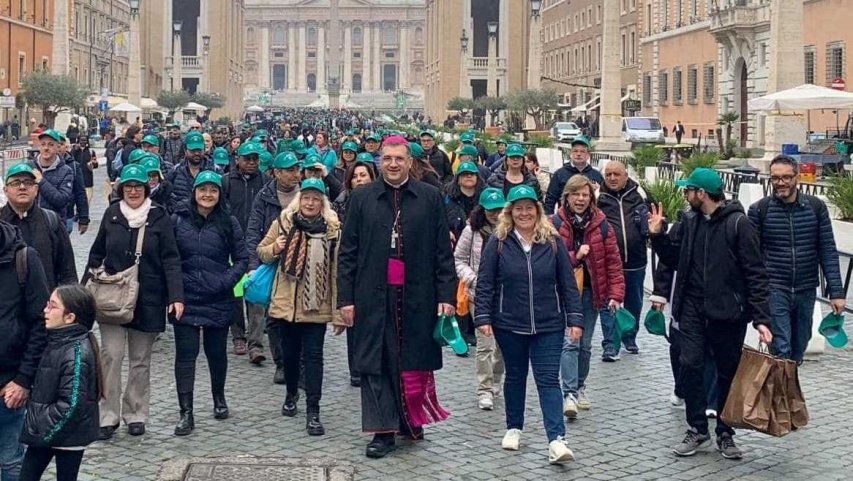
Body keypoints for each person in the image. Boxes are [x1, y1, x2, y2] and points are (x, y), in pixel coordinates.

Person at [337, 136, 457, 458]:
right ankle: (382, 431)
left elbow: (442, 252)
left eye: (399, 159)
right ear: (380, 161)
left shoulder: (429, 197)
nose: (393, 164)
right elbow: (347, 252)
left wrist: (446, 296)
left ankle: (409, 418)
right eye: (387, 158)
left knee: (412, 360)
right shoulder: (362, 197)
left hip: (417, 294)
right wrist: (345, 299)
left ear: (409, 162)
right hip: (372, 294)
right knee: (376, 361)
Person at [648, 168, 772, 459]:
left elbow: (755, 273)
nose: (685, 195)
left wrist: (762, 319)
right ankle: (697, 428)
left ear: (701, 193)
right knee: (689, 365)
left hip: (728, 314)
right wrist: (658, 236)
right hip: (692, 309)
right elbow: (673, 259)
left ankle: (725, 433)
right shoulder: (688, 221)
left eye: (688, 190)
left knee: (727, 372)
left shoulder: (738, 224)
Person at [474, 184, 583, 465]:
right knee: (515, 377)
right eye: (518, 208)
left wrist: (575, 318)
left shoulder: (553, 242)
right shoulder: (498, 242)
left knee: (548, 380)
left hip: (549, 324)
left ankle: (557, 439)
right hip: (509, 324)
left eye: (529, 208)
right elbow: (485, 283)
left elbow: (568, 284)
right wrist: (483, 317)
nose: (524, 213)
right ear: (510, 212)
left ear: (537, 211)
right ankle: (514, 427)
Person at [85, 164, 184, 440]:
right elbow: (96, 254)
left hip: (149, 297)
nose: (132, 191)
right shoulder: (112, 214)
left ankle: (136, 413)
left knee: (140, 360)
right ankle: (108, 415)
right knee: (111, 356)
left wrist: (176, 296)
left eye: (137, 186)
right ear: (121, 189)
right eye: (128, 186)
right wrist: (83, 294)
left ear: (146, 188)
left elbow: (171, 259)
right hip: (113, 298)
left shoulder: (159, 217)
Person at [258, 178, 345, 436]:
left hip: (316, 305)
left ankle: (313, 411)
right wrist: (275, 248)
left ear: (322, 203)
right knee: (290, 355)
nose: (310, 203)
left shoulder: (332, 231)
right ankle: (291, 393)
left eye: (315, 199)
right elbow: (261, 251)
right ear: (299, 199)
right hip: (286, 304)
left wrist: (338, 313)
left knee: (314, 358)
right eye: (306, 197)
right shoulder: (284, 222)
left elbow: (336, 273)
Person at [171, 171, 248, 436]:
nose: (207, 195)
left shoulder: (229, 221)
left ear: (219, 193)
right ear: (194, 192)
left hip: (218, 297)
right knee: (185, 356)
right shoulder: (177, 220)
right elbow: (168, 258)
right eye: (202, 189)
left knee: (216, 354)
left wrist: (226, 281)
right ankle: (186, 412)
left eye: (213, 190)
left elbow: (242, 258)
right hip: (186, 298)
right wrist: (175, 289)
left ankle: (219, 396)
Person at [747, 155, 846, 363]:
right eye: (775, 178)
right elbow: (751, 257)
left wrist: (836, 292)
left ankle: (788, 381)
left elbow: (827, 250)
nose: (780, 183)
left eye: (786, 177)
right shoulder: (759, 210)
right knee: (781, 346)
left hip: (806, 289)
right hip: (775, 288)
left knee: (800, 345)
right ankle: (784, 384)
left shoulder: (816, 207)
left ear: (797, 178)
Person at [555, 175, 625, 422]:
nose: (581, 199)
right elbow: (549, 257)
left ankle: (580, 385)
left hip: (590, 292)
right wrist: (575, 256)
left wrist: (616, 294)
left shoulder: (602, 225)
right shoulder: (554, 223)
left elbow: (613, 261)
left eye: (585, 195)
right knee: (570, 342)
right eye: (576, 194)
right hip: (564, 292)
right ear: (567, 197)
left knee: (584, 345)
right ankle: (569, 393)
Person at [19, 285, 101, 481]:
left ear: (70, 317)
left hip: (65, 435)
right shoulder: (56, 342)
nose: (45, 311)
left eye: (52, 306)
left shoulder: (76, 352)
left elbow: (72, 403)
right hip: (47, 431)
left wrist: (44, 429)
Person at [246, 151, 303, 379]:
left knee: (299, 316)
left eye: (296, 169)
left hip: (301, 265)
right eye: (289, 170)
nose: (295, 174)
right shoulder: (264, 196)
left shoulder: (307, 194)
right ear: (277, 173)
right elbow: (253, 231)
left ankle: (299, 361)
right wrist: (253, 264)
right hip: (273, 263)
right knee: (274, 316)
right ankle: (281, 363)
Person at [0, 219, 49, 480]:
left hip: (9, 386)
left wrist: (23, 380)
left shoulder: (24, 259)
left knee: (11, 462)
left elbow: (41, 323)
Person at [454, 188, 506, 411]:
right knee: (485, 344)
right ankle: (484, 389)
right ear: (482, 210)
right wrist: (473, 279)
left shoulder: (510, 230)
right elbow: (458, 259)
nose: (494, 214)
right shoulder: (471, 231)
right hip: (478, 295)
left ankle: (496, 380)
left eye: (498, 209)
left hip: (505, 296)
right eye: (490, 210)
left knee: (502, 345)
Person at [598, 160, 654, 354]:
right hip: (608, 262)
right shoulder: (598, 196)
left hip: (636, 259)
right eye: (608, 174)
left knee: (634, 301)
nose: (612, 178)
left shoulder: (640, 194)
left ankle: (629, 337)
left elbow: (656, 218)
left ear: (626, 176)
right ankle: (610, 343)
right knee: (608, 303)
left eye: (617, 174)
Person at [222, 141, 268, 360]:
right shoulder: (226, 182)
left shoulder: (265, 182)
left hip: (258, 244)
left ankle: (256, 343)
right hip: (233, 245)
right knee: (236, 293)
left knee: (256, 294)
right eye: (247, 158)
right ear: (237, 159)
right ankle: (238, 336)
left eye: (255, 159)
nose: (251, 162)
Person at [1, 164, 77, 290]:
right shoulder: (1, 222)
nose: (22, 187)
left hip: (46, 298)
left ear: (36, 189)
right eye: (15, 183)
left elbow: (67, 269)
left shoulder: (51, 221)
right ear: (6, 190)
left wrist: (69, 297)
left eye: (28, 182)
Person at [544, 136, 604, 214]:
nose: (578, 154)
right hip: (565, 219)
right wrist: (549, 219)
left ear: (588, 155)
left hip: (590, 218)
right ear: (571, 153)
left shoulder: (596, 175)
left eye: (582, 151)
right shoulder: (559, 174)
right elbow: (550, 201)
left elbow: (604, 200)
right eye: (575, 151)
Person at [27, 129, 75, 222]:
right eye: (43, 144)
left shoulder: (66, 171)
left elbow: (61, 200)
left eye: (50, 144)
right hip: (30, 223)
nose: (46, 148)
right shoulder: (29, 166)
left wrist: (41, 181)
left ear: (57, 147)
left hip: (54, 224)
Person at [168, 131, 214, 208]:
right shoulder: (175, 171)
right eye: (193, 150)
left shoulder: (214, 170)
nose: (196, 153)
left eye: (199, 150)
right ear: (185, 150)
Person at [444, 161, 485, 240]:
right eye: (464, 174)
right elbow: (440, 218)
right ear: (457, 179)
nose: (469, 176)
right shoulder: (447, 198)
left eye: (472, 173)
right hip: (454, 239)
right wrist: (446, 231)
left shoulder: (485, 197)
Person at [333, 158, 376, 226]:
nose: (358, 179)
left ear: (371, 178)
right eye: (354, 177)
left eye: (363, 175)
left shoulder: (381, 201)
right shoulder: (340, 203)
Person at [70, 137, 98, 203]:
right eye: (81, 140)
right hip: (76, 179)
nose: (83, 142)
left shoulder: (91, 151)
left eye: (85, 140)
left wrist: (94, 163)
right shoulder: (74, 150)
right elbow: (70, 159)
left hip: (88, 179)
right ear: (78, 141)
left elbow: (95, 165)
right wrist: (74, 150)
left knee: (87, 200)